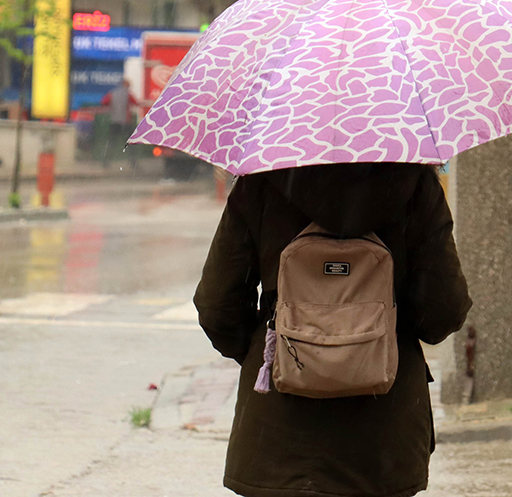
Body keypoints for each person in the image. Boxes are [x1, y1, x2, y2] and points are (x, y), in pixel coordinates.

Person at [195, 162, 472, 497]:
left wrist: (278, 350)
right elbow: (443, 310)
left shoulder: (261, 181)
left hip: (278, 436)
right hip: (382, 440)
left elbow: (217, 306)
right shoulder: (414, 183)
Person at [100, 79, 139, 168]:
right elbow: (135, 103)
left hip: (115, 121)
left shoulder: (112, 93)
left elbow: (104, 102)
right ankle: (133, 163)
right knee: (130, 144)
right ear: (126, 85)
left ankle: (106, 162)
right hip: (126, 122)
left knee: (111, 143)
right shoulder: (128, 95)